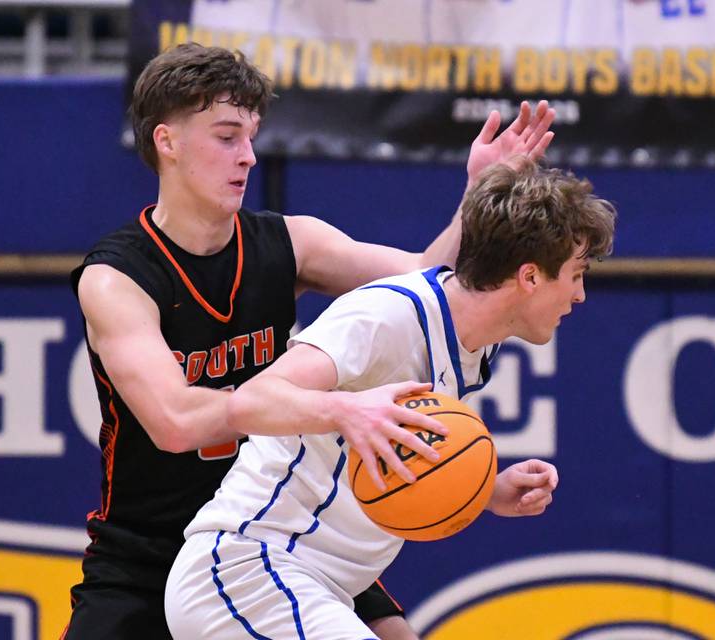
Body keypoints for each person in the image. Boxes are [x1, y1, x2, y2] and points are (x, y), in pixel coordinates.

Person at [62, 41, 555, 640]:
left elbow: (429, 284)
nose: (247, 156)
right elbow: (176, 420)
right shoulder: (117, 277)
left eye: (251, 136)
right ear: (166, 142)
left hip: (281, 532)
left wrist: (477, 196)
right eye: (226, 137)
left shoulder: (291, 242)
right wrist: (336, 409)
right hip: (148, 548)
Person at [165, 158, 616, 640]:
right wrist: (346, 409)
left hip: (320, 585)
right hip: (247, 568)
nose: (581, 295)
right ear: (529, 277)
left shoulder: (474, 339)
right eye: (576, 274)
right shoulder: (387, 316)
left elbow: (389, 459)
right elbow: (250, 401)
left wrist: (487, 491)